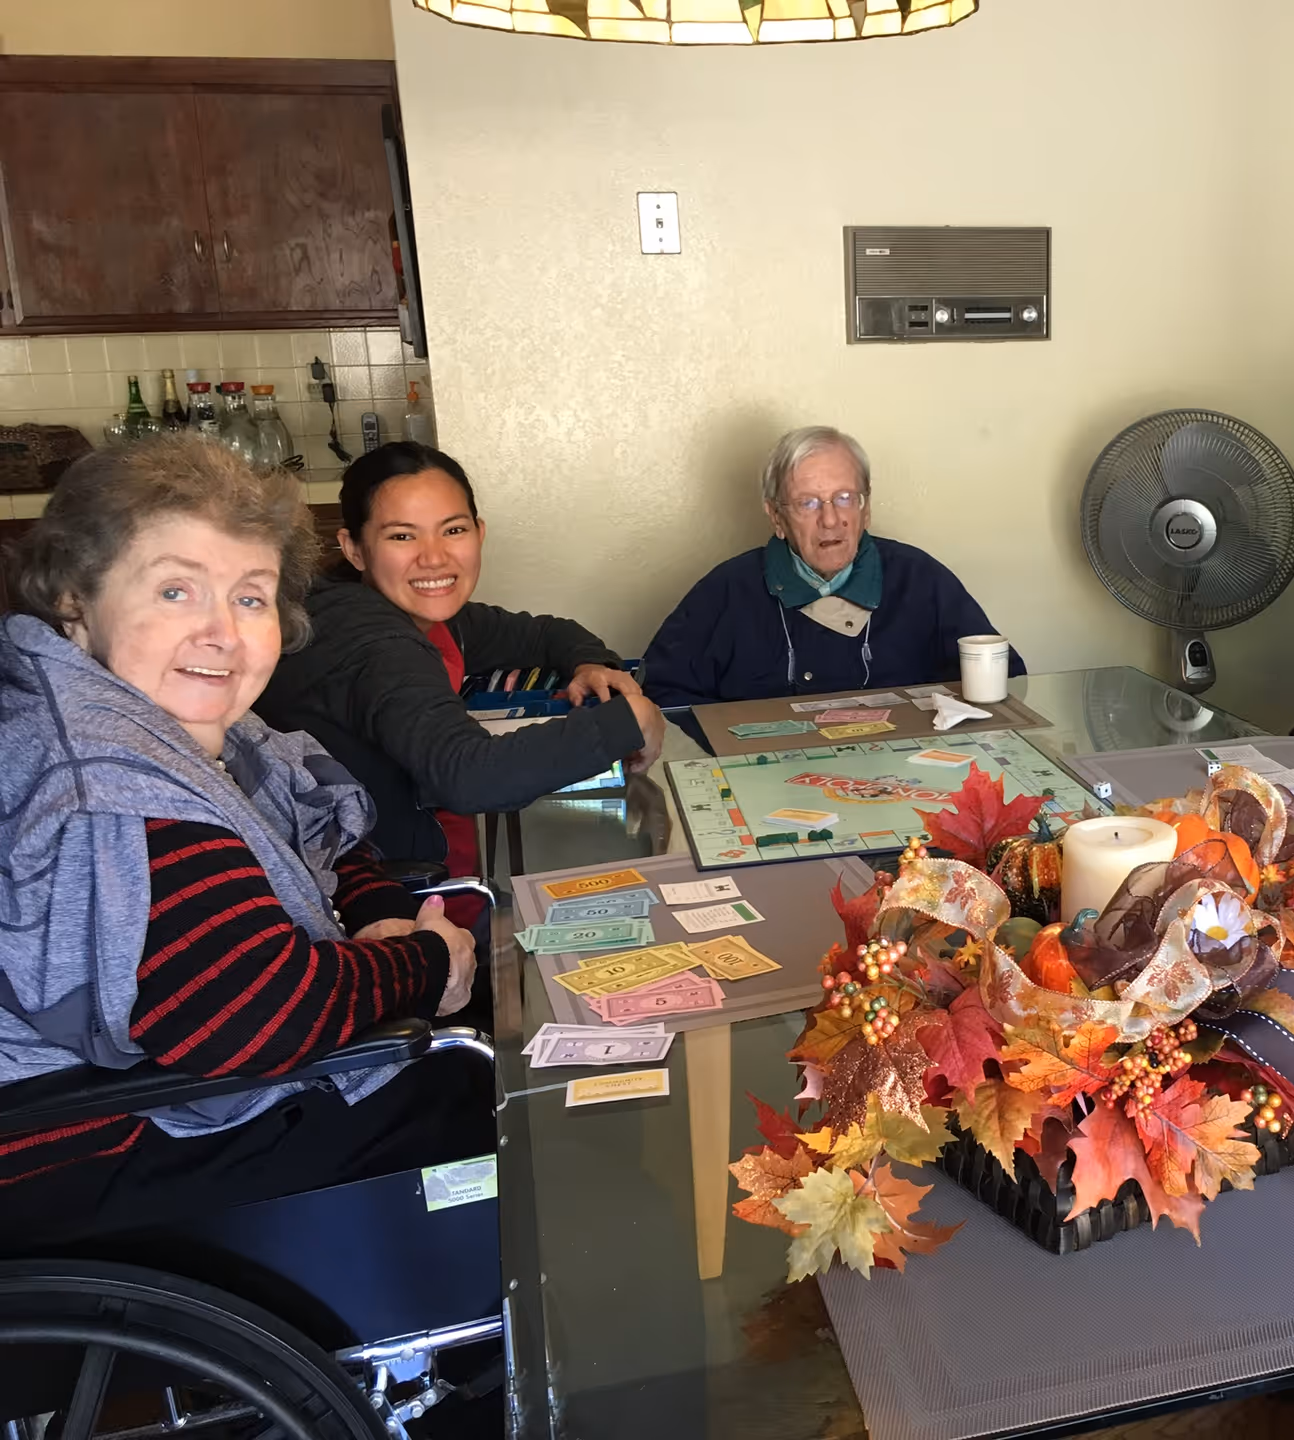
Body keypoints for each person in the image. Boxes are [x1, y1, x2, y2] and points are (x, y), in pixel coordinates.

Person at [0, 438, 492, 1242]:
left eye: (250, 597)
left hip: (200, 1075)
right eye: (174, 590)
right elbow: (255, 1014)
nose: (221, 633)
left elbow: (320, 837)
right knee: (494, 1105)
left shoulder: (180, 721)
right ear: (73, 600)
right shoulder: (105, 779)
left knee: (510, 1021)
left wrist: (375, 915)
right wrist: (428, 962)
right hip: (113, 1142)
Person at [257, 442, 667, 873]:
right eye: (402, 536)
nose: (434, 558)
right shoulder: (370, 641)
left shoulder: (421, 614)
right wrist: (630, 719)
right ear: (354, 548)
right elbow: (470, 775)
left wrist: (590, 664)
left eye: (453, 530)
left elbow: (546, 633)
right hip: (384, 904)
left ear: (479, 533)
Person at [641, 425, 1025, 712]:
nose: (830, 519)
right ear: (776, 516)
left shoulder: (920, 579)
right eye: (807, 503)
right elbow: (661, 698)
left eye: (845, 498)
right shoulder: (724, 592)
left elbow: (1002, 676)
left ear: (866, 507)